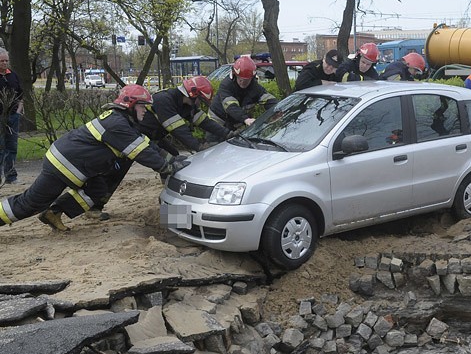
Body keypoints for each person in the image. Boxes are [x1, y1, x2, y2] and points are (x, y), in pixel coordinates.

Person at [41, 77, 225, 225]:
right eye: (199, 100)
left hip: (148, 142)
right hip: (133, 143)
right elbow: (181, 133)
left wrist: (229, 134)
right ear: (192, 95)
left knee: (174, 165)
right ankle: (175, 220)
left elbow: (205, 122)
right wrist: (199, 148)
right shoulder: (166, 100)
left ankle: (174, 219)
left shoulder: (186, 104)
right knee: (119, 176)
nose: (198, 105)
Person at [0, 85, 186, 230]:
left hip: (74, 166)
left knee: (98, 190)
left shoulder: (123, 122)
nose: (146, 111)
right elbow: (142, 153)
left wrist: (172, 160)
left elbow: (147, 145)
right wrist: (165, 167)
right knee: (29, 203)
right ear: (130, 105)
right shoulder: (117, 124)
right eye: (143, 106)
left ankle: (54, 213)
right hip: (62, 166)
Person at [209, 55, 277, 134]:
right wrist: (246, 119)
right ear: (235, 75)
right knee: (214, 143)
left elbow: (268, 100)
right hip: (218, 121)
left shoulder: (255, 87)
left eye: (246, 80)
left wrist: (278, 109)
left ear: (252, 78)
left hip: (236, 122)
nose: (243, 82)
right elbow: (231, 106)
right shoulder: (226, 85)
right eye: (240, 79)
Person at [0, 48, 24, 184]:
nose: (4, 63)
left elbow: (21, 94)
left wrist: (19, 110)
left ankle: (11, 176)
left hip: (13, 116)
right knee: (0, 147)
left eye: (6, 61)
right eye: (1, 61)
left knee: (12, 147)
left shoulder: (13, 75)